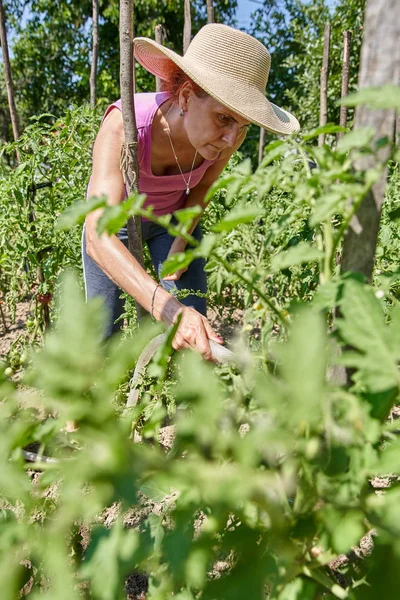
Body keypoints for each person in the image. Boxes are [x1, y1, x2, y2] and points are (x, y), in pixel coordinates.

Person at [82, 23, 299, 360]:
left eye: (243, 128)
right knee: (100, 336)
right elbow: (98, 234)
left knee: (196, 333)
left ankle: (179, 409)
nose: (231, 140)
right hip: (117, 227)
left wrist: (181, 240)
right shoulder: (125, 127)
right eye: (224, 118)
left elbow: (205, 185)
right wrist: (166, 309)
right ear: (185, 97)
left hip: (175, 221)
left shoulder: (225, 138)